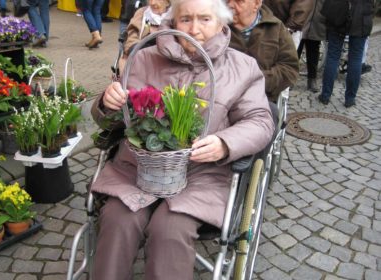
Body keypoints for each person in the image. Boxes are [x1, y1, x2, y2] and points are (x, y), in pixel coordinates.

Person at [90, 0, 275, 278]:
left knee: (170, 230)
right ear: (173, 22)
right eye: (186, 19)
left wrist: (225, 143)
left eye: (204, 19)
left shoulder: (243, 68)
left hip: (201, 175)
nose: (195, 29)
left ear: (221, 23)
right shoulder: (143, 58)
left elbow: (260, 121)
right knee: (118, 220)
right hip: (137, 171)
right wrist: (107, 102)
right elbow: (115, 119)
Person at [227, 0, 299, 103]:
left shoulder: (276, 28)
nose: (230, 5)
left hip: (263, 98)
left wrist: (257, 80)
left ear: (256, 4)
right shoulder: (218, 28)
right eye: (227, 0)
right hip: (226, 98)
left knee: (271, 113)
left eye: (238, 1)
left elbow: (289, 68)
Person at [319, 0, 375, 108]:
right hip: (361, 18)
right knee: (356, 59)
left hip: (339, 13)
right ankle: (350, 99)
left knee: (333, 56)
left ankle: (325, 95)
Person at [119, 0, 171, 71]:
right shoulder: (142, 13)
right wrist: (137, 48)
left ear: (168, 2)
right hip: (140, 60)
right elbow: (132, 36)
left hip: (167, 64)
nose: (152, 3)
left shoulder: (174, 16)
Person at [297, 0, 325, 92]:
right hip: (300, 18)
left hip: (318, 19)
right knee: (295, 50)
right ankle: (290, 78)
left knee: (313, 51)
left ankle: (312, 79)